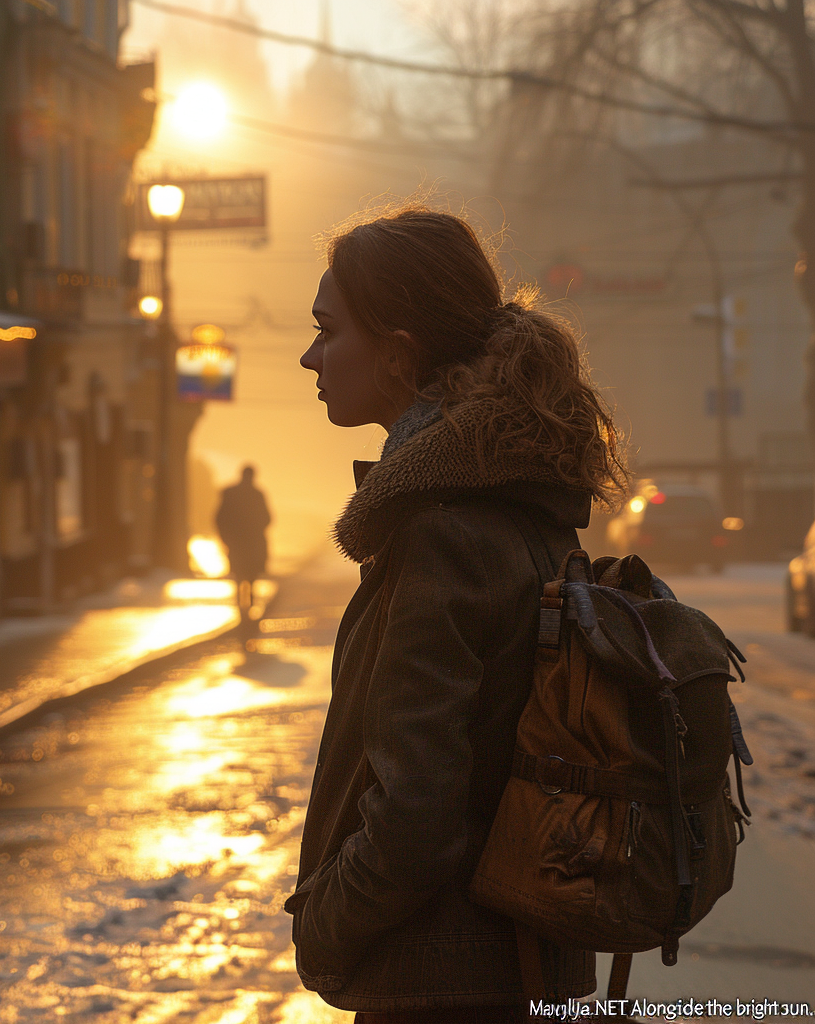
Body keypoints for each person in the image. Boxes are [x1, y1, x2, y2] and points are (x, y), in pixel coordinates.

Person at [286, 205, 628, 1023]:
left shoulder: (440, 531)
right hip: (526, 964)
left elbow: (415, 816)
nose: (309, 356)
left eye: (327, 331)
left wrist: (322, 931)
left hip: (442, 987)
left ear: (399, 355)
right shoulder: (521, 503)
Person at [215, 464, 271, 613]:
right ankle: (248, 597)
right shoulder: (257, 494)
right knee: (250, 570)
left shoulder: (230, 493)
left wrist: (225, 536)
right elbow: (267, 518)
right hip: (249, 541)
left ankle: (241, 599)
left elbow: (219, 518)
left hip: (237, 541)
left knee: (240, 570)